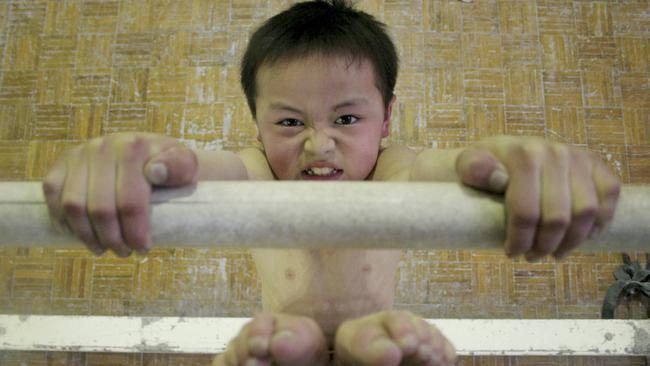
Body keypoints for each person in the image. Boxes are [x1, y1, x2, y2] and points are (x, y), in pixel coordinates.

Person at [43, 1, 620, 365]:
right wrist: (141, 159)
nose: (319, 145)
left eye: (347, 119)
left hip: (373, 338)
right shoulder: (257, 168)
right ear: (257, 124)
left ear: (387, 119)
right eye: (290, 122)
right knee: (279, 341)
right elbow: (193, 167)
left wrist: (505, 161)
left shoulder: (391, 168)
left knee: (370, 342)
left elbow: (447, 168)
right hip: (282, 337)